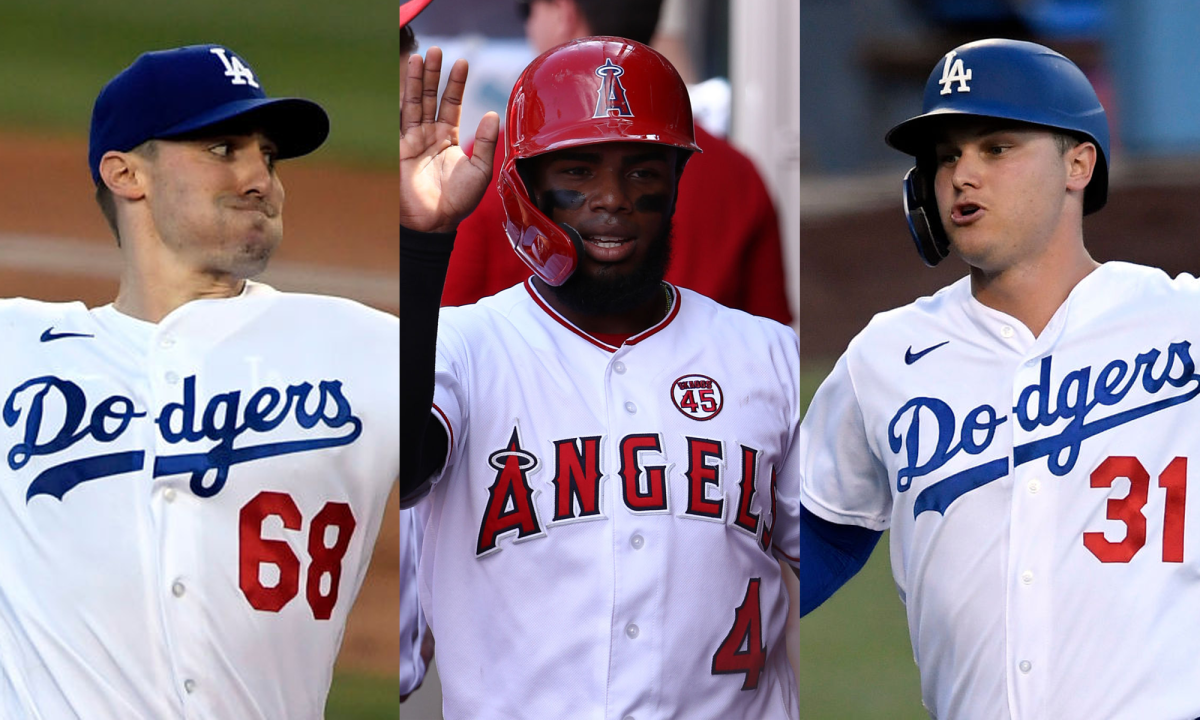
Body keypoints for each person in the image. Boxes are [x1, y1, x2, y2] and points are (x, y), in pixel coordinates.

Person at [799, 38, 1200, 718]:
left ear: (1079, 162)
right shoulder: (886, 358)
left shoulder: (1182, 324)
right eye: (947, 155)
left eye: (997, 147)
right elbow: (803, 544)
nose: (962, 175)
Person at [401, 37, 799, 719]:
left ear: (677, 182)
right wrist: (423, 242)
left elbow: (841, 543)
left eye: (644, 171)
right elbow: (402, 470)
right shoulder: (463, 348)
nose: (612, 199)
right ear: (524, 189)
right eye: (578, 172)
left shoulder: (770, 358)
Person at [0, 44, 402, 718]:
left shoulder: (367, 350)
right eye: (223, 148)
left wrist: (430, 237)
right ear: (126, 172)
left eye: (268, 156)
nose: (261, 180)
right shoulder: (15, 350)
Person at [441, 0, 794, 327]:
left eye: (528, 10)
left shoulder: (491, 164)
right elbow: (769, 342)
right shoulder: (740, 173)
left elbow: (442, 330)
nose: (612, 198)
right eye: (579, 171)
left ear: (564, 12)